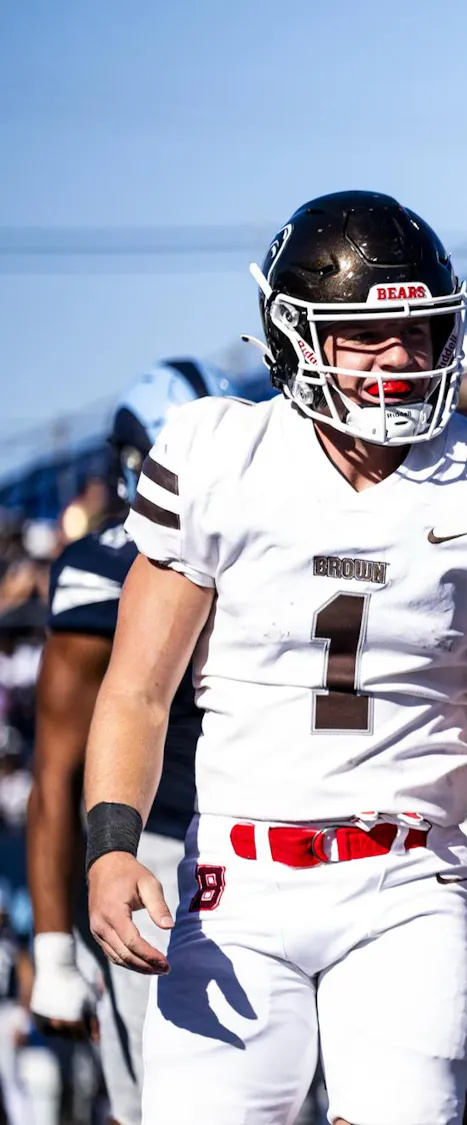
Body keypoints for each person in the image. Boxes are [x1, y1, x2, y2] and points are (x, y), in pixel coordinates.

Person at [82, 191, 467, 1125]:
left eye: (417, 329)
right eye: (367, 333)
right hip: (235, 882)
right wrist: (112, 845)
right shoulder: (220, 454)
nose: (400, 358)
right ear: (297, 340)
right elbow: (136, 688)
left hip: (409, 882)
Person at [26, 359, 232, 1125]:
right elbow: (57, 770)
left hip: (276, 834)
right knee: (166, 1102)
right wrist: (52, 943)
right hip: (155, 851)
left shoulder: (270, 534)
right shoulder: (102, 567)